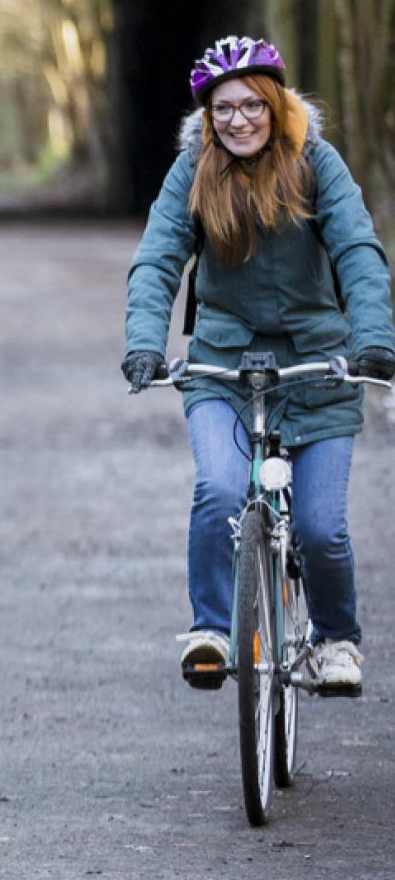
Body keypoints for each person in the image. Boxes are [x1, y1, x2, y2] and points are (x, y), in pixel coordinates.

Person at [124, 36, 395, 691]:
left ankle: (335, 640)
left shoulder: (316, 163)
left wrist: (375, 340)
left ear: (274, 107)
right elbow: (159, 257)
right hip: (224, 366)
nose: (237, 120)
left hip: (320, 367)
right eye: (222, 109)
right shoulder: (193, 170)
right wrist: (144, 343)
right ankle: (213, 628)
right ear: (207, 116)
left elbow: (358, 251)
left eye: (250, 105)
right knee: (218, 489)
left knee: (321, 529)